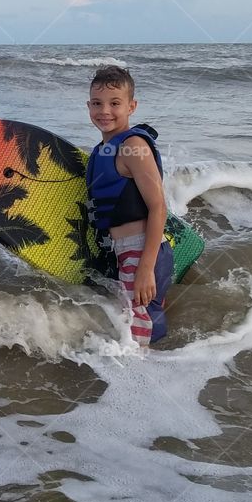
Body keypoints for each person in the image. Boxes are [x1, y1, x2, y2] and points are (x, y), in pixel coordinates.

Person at [85, 65, 173, 346]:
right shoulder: (102, 150)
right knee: (131, 331)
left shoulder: (133, 146)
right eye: (97, 104)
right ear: (88, 106)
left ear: (132, 106)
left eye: (115, 103)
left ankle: (148, 385)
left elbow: (158, 207)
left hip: (140, 251)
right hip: (121, 252)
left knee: (139, 338)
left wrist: (145, 269)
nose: (104, 111)